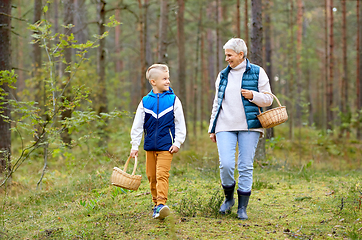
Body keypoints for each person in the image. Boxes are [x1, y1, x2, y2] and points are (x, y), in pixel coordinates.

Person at [208, 38, 273, 220]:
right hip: (224, 125)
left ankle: (242, 208)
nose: (227, 58)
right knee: (226, 164)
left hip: (250, 126)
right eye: (226, 55)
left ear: (241, 55)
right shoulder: (222, 75)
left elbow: (268, 100)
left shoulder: (258, 72)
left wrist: (253, 96)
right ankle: (228, 199)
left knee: (245, 166)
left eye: (229, 55)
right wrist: (212, 127)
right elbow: (217, 103)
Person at [130, 64, 186, 220]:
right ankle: (156, 206)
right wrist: (135, 146)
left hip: (166, 147)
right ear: (153, 82)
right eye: (164, 79)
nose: (168, 81)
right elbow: (137, 125)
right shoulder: (145, 102)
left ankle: (161, 203)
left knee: (162, 175)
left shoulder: (174, 100)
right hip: (149, 147)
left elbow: (180, 123)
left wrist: (178, 142)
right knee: (151, 176)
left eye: (168, 78)